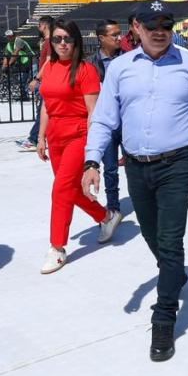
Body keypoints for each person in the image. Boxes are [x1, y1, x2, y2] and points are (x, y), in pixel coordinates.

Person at [82, 1, 188, 363]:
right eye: (151, 23)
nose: (160, 30)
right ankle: (174, 275)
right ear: (136, 27)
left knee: (171, 239)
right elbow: (103, 119)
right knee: (150, 233)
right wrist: (92, 159)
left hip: (177, 164)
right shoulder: (121, 69)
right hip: (137, 167)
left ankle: (164, 317)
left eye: (166, 23)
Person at [37, 21, 123, 273]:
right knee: (70, 190)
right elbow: (46, 104)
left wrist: (92, 151)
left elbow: (92, 113)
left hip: (78, 134)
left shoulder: (86, 70)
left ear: (76, 41)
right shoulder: (49, 66)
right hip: (55, 134)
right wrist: (40, 136)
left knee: (60, 188)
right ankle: (106, 216)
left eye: (67, 39)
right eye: (56, 39)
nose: (62, 44)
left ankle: (57, 246)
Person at [90, 20, 128, 219]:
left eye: (119, 33)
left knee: (137, 164)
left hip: (129, 120)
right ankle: (113, 206)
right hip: (106, 122)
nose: (119, 38)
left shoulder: (129, 59)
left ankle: (145, 200)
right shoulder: (90, 63)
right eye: (114, 35)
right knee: (110, 168)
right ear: (101, 38)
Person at [19, 16, 55, 151]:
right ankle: (38, 138)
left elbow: (49, 61)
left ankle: (34, 139)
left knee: (42, 111)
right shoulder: (47, 41)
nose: (38, 28)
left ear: (44, 26)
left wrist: (37, 79)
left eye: (39, 25)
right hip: (46, 81)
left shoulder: (49, 41)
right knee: (43, 111)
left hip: (47, 81)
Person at [1, 28, 34, 102]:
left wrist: (8, 65)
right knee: (22, 79)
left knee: (35, 78)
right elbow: (6, 56)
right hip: (23, 62)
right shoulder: (8, 45)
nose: (9, 38)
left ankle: (37, 95)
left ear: (14, 36)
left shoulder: (18, 40)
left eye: (10, 36)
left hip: (31, 60)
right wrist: (4, 66)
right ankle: (24, 95)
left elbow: (15, 53)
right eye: (7, 37)